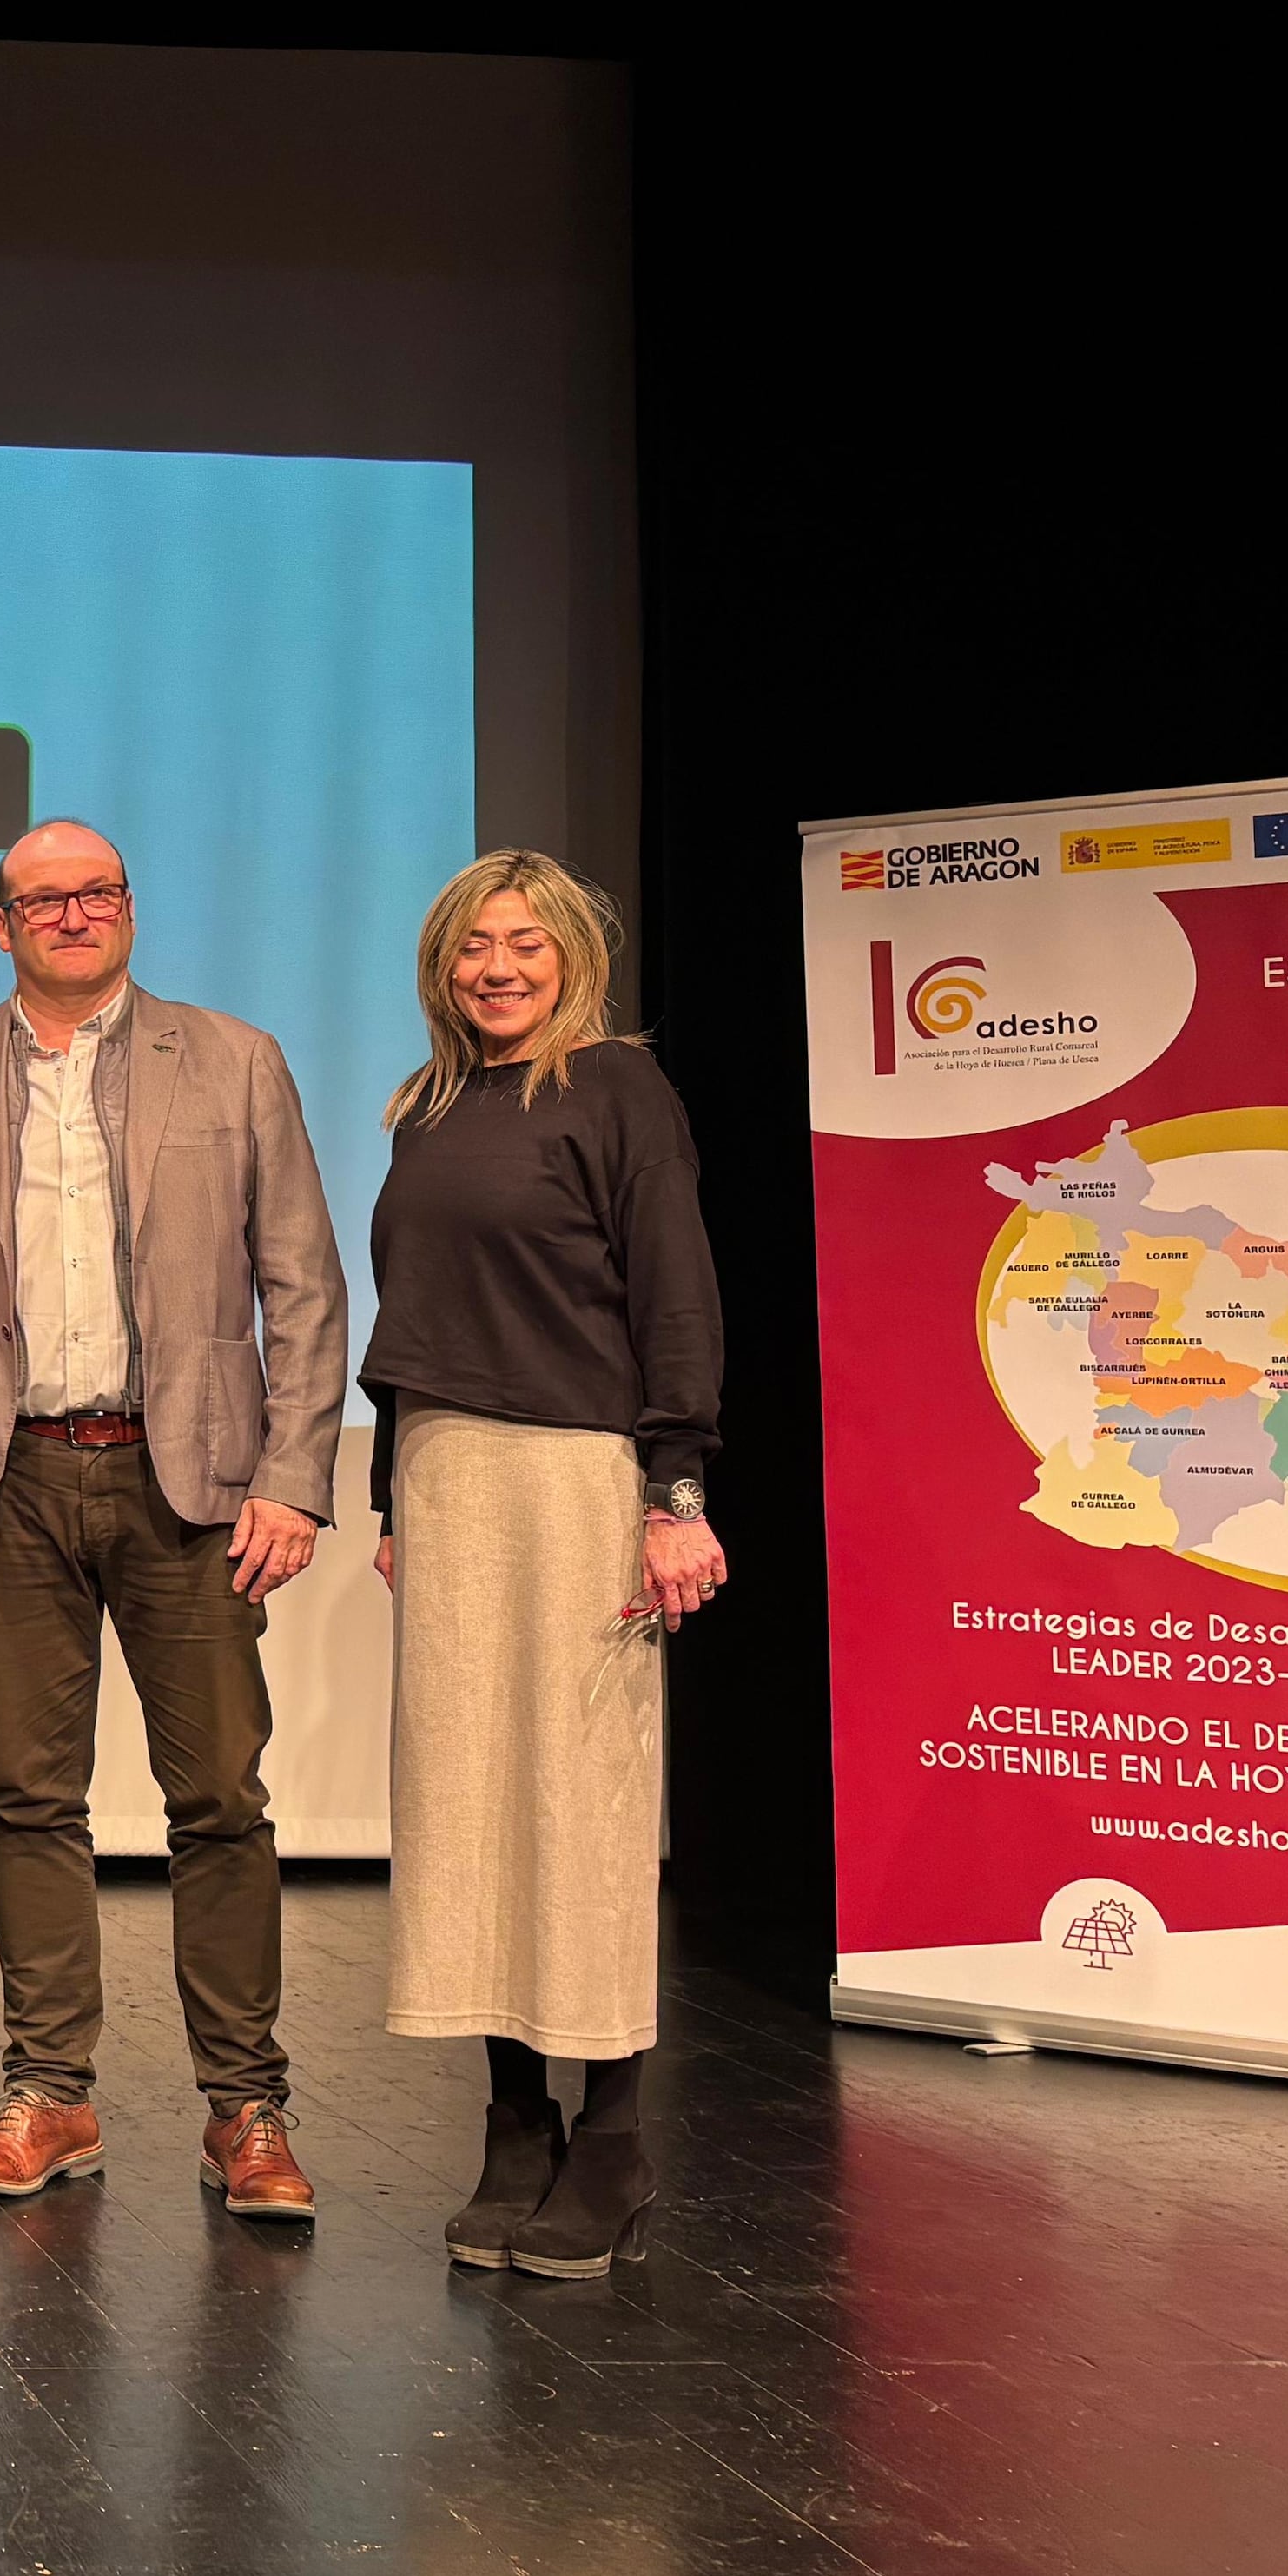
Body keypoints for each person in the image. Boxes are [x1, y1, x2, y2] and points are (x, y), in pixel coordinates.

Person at [0, 818, 350, 2223]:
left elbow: (307, 1289)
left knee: (220, 1800)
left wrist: (293, 1475)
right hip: (10, 1484)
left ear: (130, 909)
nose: (74, 914)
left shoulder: (235, 1058)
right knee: (30, 1796)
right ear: (1, 923)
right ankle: (51, 2094)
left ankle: (245, 2107)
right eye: (45, 898)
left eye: (97, 893)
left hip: (192, 1483)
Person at [363, 850, 725, 2280]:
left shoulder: (621, 1089)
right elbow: (420, 1317)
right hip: (451, 1476)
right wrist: (395, 1492)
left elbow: (677, 1290)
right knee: (469, 1802)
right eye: (470, 948)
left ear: (573, 953)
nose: (496, 968)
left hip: (583, 1475)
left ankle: (617, 2137)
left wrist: (676, 1486)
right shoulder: (429, 1104)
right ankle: (518, 2125)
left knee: (580, 1803)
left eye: (524, 943)